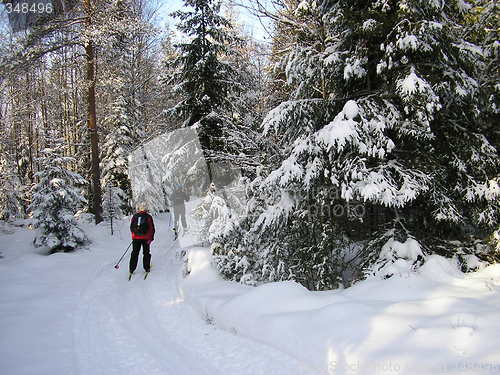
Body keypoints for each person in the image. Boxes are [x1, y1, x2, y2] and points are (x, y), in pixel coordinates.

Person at [129, 204, 155, 277]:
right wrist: (151, 238)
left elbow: (131, 228)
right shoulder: (148, 217)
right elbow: (151, 228)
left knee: (134, 253)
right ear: (145, 209)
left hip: (136, 239)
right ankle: (147, 268)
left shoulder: (135, 216)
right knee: (146, 253)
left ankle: (131, 269)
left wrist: (134, 236)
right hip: (146, 238)